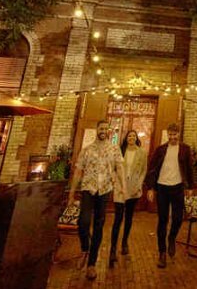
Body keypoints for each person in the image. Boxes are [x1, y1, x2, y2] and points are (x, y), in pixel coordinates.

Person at [68, 120, 124, 280]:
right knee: (83, 222)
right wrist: (72, 192)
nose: (103, 131)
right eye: (101, 128)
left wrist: (122, 186)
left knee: (99, 226)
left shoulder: (114, 149)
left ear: (109, 131)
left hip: (104, 190)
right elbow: (78, 171)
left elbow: (120, 168)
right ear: (96, 129)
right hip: (88, 188)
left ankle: (91, 264)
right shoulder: (87, 150)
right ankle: (85, 248)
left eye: (106, 129)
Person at [144, 123, 195, 269]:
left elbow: (189, 169)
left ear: (179, 134)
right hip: (162, 187)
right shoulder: (160, 150)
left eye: (175, 134)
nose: (172, 137)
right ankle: (162, 253)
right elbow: (152, 168)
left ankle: (172, 237)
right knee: (163, 220)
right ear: (168, 135)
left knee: (178, 218)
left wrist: (191, 187)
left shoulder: (185, 149)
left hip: (178, 187)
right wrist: (150, 188)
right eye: (170, 135)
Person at [110, 129, 147, 266]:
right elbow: (113, 168)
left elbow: (144, 170)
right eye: (129, 136)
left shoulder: (142, 153)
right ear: (126, 138)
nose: (131, 137)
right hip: (120, 187)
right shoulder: (119, 151)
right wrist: (114, 180)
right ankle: (113, 249)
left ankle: (124, 242)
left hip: (134, 188)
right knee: (118, 218)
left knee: (129, 217)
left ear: (136, 138)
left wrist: (139, 184)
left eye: (133, 136)